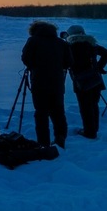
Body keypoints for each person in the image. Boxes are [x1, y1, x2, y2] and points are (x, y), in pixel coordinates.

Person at [21, 20, 74, 148]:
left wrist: (35, 66)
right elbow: (69, 62)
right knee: (58, 112)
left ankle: (43, 142)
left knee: (41, 112)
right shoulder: (61, 43)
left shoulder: (33, 41)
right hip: (57, 82)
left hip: (39, 82)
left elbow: (26, 59)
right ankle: (60, 138)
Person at [64, 25, 107, 139]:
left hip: (81, 81)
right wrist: (99, 67)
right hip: (95, 79)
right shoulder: (92, 44)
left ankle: (89, 132)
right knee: (93, 104)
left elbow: (66, 62)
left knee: (85, 107)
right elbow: (106, 54)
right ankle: (94, 128)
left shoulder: (70, 46)